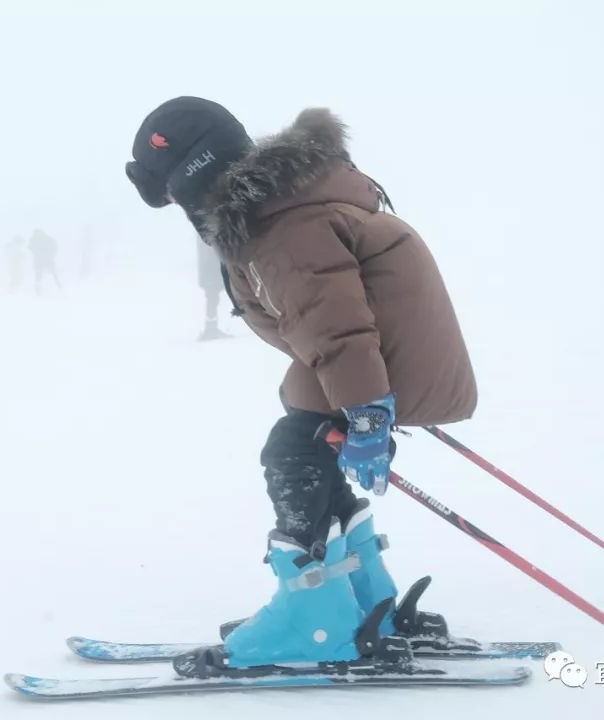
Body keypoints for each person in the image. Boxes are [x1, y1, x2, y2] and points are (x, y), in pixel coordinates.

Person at [125, 98, 477, 672]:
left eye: (171, 194)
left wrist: (366, 412)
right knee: (309, 446)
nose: (177, 209)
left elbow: (332, 321)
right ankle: (368, 601)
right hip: (384, 363)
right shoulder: (281, 207)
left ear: (191, 177)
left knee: (292, 453)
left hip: (384, 368)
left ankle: (314, 619)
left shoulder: (278, 227)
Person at [196, 235, 230, 341]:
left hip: (210, 273)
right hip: (210, 274)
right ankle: (210, 329)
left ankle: (211, 327)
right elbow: (208, 255)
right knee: (212, 300)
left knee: (213, 300)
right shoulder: (205, 237)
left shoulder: (204, 235)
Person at [27, 228, 61, 294]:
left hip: (39, 260)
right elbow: (55, 246)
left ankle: (38, 291)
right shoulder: (47, 238)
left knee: (39, 275)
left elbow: (29, 247)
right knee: (54, 274)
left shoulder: (34, 239)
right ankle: (60, 287)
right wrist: (52, 255)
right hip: (48, 260)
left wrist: (35, 252)